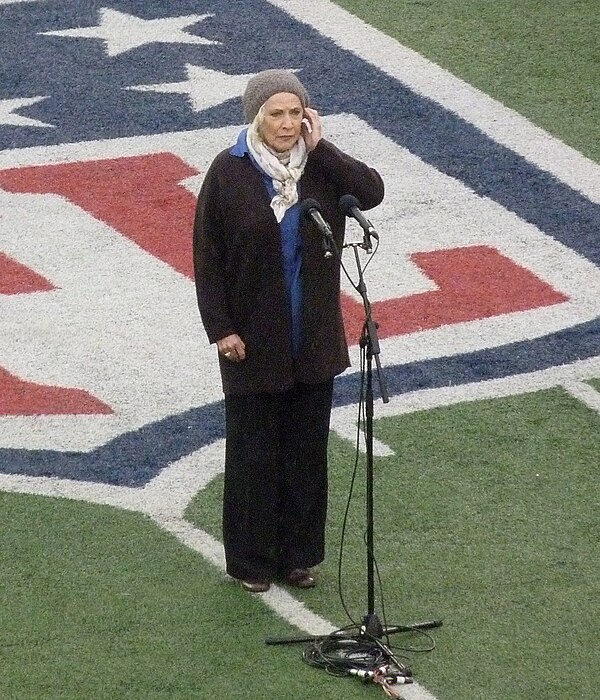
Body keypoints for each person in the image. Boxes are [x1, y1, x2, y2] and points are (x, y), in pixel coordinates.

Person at [193, 69, 384, 593]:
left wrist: (325, 150)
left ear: (308, 116)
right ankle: (251, 563)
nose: (285, 123)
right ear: (255, 116)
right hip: (250, 343)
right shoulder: (228, 173)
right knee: (253, 454)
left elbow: (371, 193)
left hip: (313, 339)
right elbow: (207, 258)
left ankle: (299, 557)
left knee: (306, 454)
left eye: (295, 113)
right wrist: (221, 328)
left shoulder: (322, 170)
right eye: (275, 113)